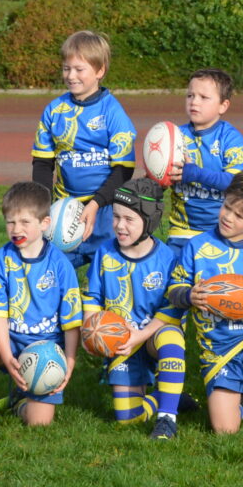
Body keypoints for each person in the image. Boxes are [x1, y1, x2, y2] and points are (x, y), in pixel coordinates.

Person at [158, 169, 243, 439]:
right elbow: (174, 288)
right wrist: (189, 296)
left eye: (239, 215)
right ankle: (242, 407)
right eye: (227, 207)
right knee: (224, 430)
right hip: (219, 349)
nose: (228, 217)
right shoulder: (198, 246)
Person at [0, 183, 84, 443]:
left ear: (45, 223)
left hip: (46, 351)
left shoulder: (60, 265)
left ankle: (18, 402)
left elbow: (71, 322)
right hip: (9, 342)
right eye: (10, 222)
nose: (16, 229)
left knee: (39, 423)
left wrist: (69, 362)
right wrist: (8, 358)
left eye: (25, 222)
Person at [81, 179, 186, 437]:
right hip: (121, 341)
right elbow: (92, 298)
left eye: (129, 219)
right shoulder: (105, 253)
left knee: (172, 338)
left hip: (152, 336)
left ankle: (167, 418)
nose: (119, 225)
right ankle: (170, 395)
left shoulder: (168, 258)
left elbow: (172, 309)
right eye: (116, 216)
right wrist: (90, 331)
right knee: (127, 419)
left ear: (149, 221)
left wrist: (140, 335)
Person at [31, 30, 137, 270]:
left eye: (79, 69)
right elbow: (42, 163)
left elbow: (123, 170)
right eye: (66, 68)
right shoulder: (54, 110)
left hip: (104, 209)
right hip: (64, 209)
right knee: (50, 271)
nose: (71, 75)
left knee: (108, 273)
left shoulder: (113, 112)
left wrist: (96, 203)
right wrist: (44, 205)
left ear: (100, 71)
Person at [167, 68, 243, 242]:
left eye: (204, 97)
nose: (194, 102)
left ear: (223, 106)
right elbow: (161, 177)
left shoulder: (230, 138)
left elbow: (237, 183)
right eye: (190, 96)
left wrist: (196, 174)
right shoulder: (174, 136)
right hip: (182, 231)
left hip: (222, 233)